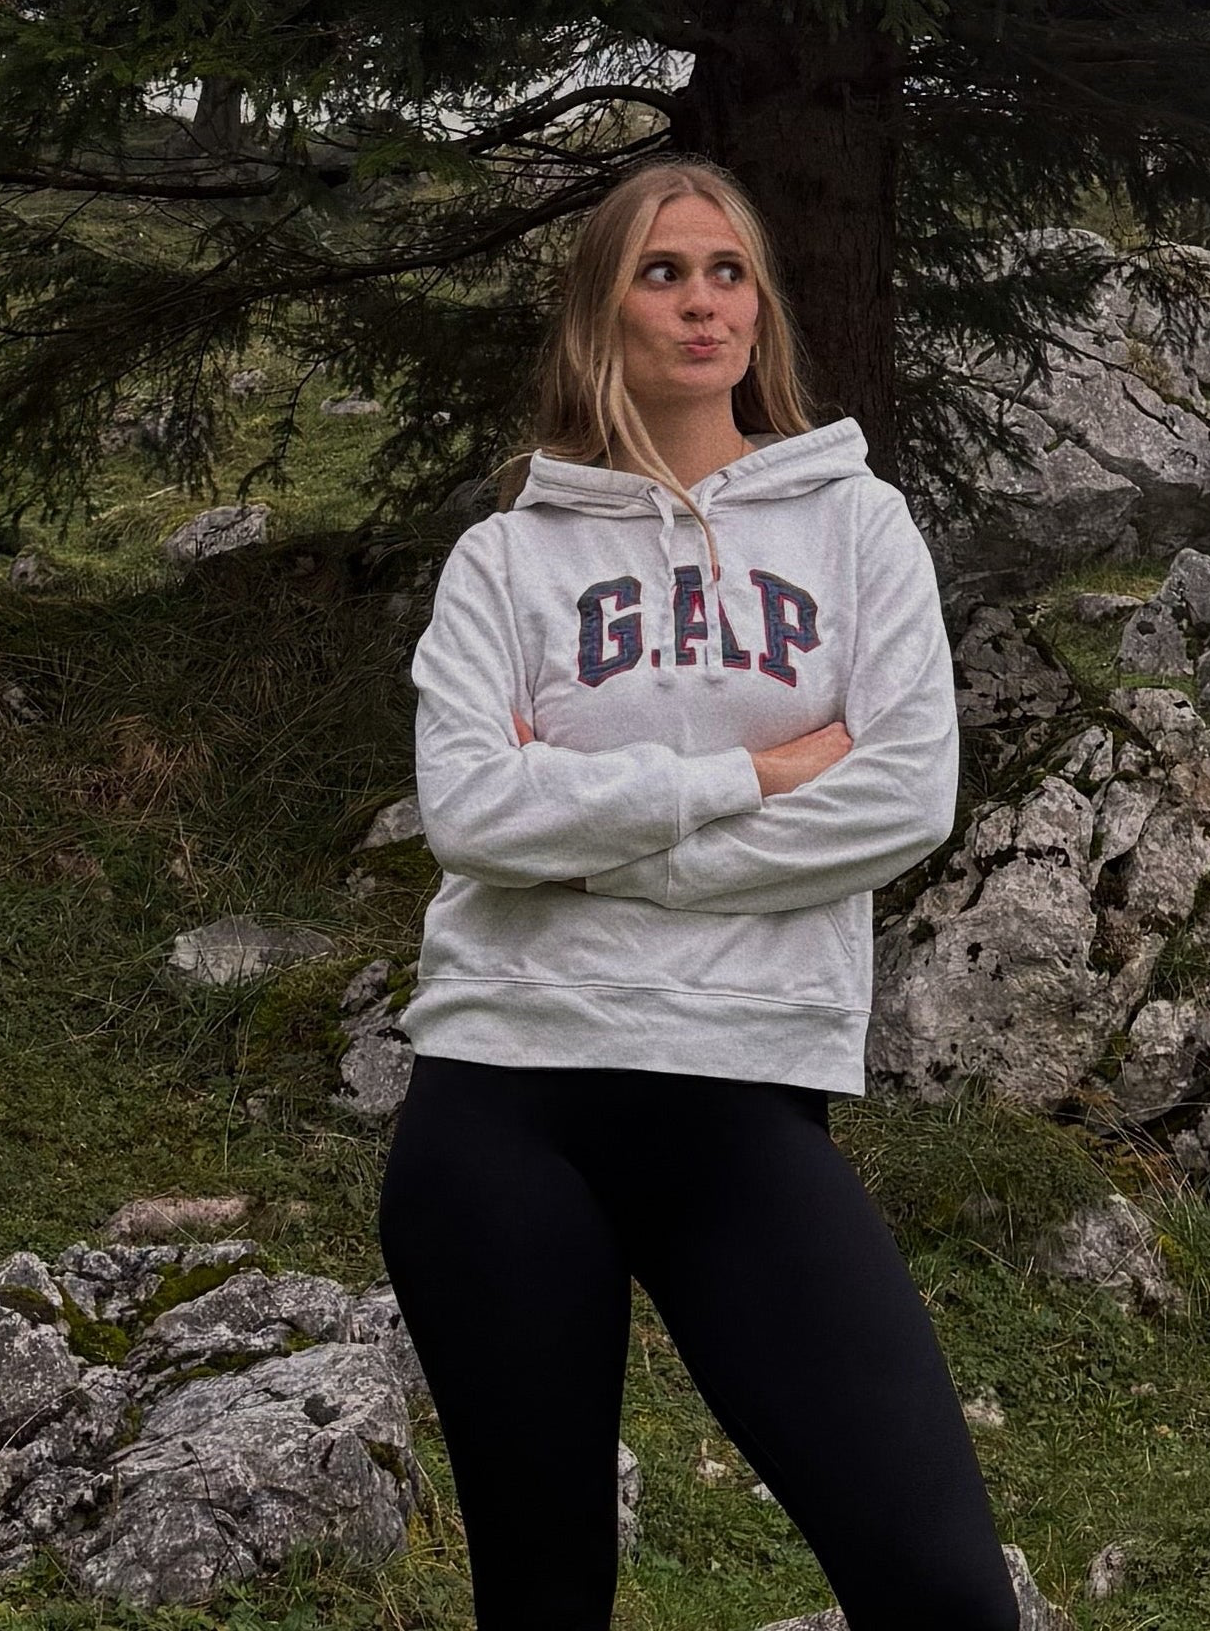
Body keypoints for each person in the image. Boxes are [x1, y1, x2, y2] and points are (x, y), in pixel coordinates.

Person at [378, 155, 1021, 1631]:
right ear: (600, 310)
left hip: (741, 1098)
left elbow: (904, 795)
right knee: (544, 1601)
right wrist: (753, 775)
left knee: (944, 1593)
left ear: (762, 307)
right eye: (661, 272)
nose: (700, 302)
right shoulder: (505, 558)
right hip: (503, 1101)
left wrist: (596, 833)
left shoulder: (854, 526)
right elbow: (470, 809)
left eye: (728, 272)